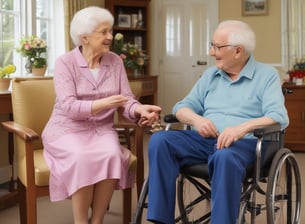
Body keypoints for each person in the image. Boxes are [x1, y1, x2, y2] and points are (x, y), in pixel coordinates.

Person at [147, 20, 289, 224]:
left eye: (216, 46)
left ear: (238, 51)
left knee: (225, 157)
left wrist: (241, 129)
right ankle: (161, 220)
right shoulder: (210, 75)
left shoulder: (266, 75)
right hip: (206, 140)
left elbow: (279, 116)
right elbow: (181, 107)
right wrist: (197, 120)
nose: (212, 52)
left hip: (247, 144)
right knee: (161, 140)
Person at [41, 6, 161, 224]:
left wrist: (139, 109)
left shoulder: (114, 61)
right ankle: (80, 221)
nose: (110, 37)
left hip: (101, 130)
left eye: (110, 31)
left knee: (112, 154)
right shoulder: (65, 63)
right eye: (103, 32)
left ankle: (96, 221)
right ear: (84, 37)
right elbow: (68, 106)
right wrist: (103, 103)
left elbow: (126, 100)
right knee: (81, 157)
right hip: (67, 128)